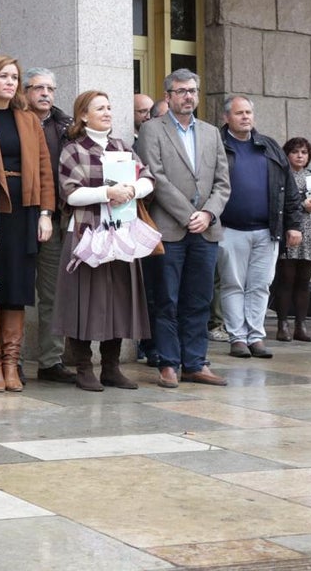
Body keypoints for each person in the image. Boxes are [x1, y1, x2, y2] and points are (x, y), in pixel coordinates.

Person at [53, 91, 155, 391]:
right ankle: (85, 367)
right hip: (86, 233)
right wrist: (106, 193)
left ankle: (111, 367)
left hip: (122, 233)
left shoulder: (123, 148)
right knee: (84, 301)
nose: (108, 112)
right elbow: (69, 193)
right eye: (100, 108)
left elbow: (148, 179)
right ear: (83, 115)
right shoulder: (73, 150)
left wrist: (133, 190)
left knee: (119, 300)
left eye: (110, 107)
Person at [136, 69, 231, 388]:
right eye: (181, 91)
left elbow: (223, 183)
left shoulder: (211, 132)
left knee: (200, 299)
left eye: (192, 90)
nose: (188, 96)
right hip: (170, 229)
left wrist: (207, 214)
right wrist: (189, 214)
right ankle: (168, 363)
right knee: (166, 299)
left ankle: (195, 362)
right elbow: (155, 177)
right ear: (168, 96)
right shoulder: (152, 129)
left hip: (205, 231)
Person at [0, 57, 55, 392]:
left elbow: (45, 169)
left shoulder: (28, 119)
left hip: (25, 213)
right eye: (3, 76)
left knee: (18, 290)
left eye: (14, 77)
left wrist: (46, 214)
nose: (10, 82)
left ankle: (11, 363)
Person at [217, 95, 303, 360]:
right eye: (239, 113)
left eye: (248, 113)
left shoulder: (269, 146)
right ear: (226, 117)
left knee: (260, 285)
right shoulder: (217, 145)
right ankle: (237, 338)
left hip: (267, 230)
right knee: (232, 284)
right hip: (229, 229)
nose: (246, 117)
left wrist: (294, 224)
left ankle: (256, 336)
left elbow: (289, 188)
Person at [22, 68, 76, 384]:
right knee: (12, 291)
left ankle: (50, 361)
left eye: (50, 88)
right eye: (38, 88)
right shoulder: (14, 119)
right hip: (17, 217)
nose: (45, 94)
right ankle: (7, 360)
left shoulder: (66, 126)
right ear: (26, 91)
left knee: (53, 295)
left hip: (54, 220)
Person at [274, 137, 311, 343]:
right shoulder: (282, 176)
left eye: (304, 152)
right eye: (295, 152)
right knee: (286, 279)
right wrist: (301, 206)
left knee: (304, 281)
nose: (300, 156)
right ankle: (282, 324)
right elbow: (281, 203)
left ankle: (301, 325)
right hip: (290, 230)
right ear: (287, 155)